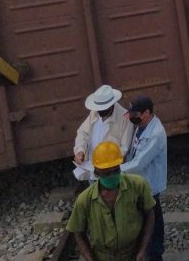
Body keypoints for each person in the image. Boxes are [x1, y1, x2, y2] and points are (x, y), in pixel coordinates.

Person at [66, 141, 155, 261]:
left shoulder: (138, 185)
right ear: (97, 172)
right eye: (107, 173)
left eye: (116, 170)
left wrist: (142, 251)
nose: (113, 175)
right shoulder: (85, 200)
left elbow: (150, 214)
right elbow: (78, 232)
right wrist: (90, 259)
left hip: (132, 254)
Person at [120, 96, 167, 261]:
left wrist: (113, 171)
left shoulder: (155, 134)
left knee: (153, 224)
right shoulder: (141, 126)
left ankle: (155, 255)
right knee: (145, 223)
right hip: (139, 184)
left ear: (147, 113)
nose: (133, 117)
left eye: (136, 114)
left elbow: (139, 163)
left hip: (149, 186)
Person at [74, 85, 134, 172]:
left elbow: (124, 148)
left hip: (110, 171)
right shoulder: (94, 112)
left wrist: (108, 164)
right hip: (90, 166)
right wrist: (80, 151)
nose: (100, 112)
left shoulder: (125, 119)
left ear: (111, 105)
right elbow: (83, 132)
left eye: (103, 109)